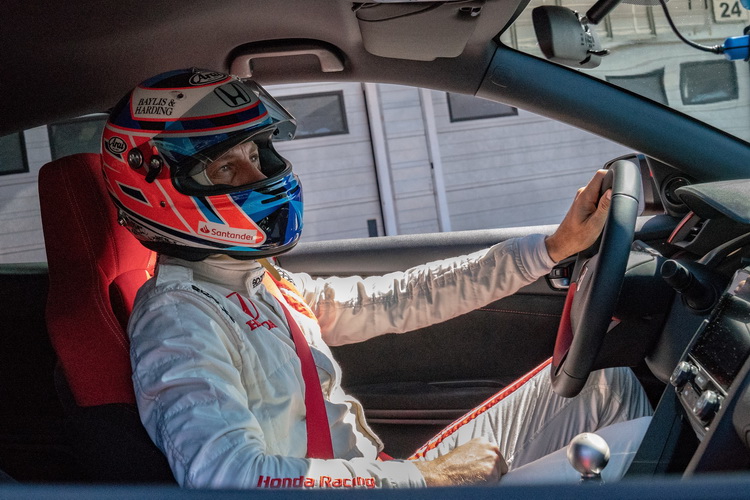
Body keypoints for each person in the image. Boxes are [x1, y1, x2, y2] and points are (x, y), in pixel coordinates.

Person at [101, 68, 652, 489]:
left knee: (609, 388)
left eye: (255, 155)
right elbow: (229, 477)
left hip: (380, 476)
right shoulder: (178, 320)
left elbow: (396, 298)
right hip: (391, 485)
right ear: (159, 189)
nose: (259, 176)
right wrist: (426, 478)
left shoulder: (251, 280)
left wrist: (552, 249)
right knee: (640, 446)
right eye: (227, 167)